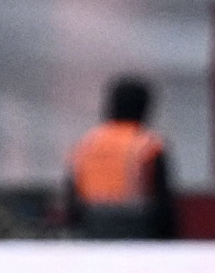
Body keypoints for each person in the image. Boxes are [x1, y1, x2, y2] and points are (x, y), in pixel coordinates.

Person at [64, 78, 177, 241]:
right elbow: (163, 204)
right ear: (144, 107)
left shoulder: (87, 143)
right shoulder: (148, 145)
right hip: (137, 230)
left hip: (91, 230)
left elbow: (71, 197)